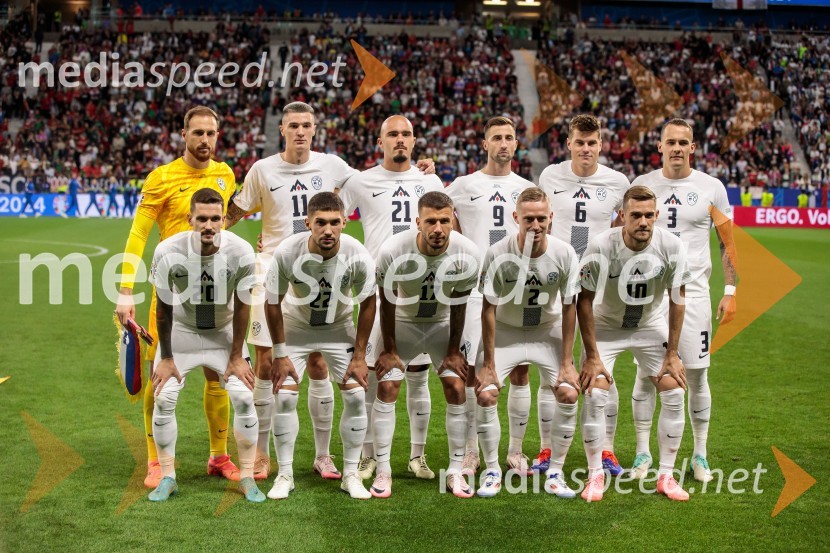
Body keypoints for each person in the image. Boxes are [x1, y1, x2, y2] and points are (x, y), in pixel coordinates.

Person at [224, 102, 433, 481]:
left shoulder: (334, 166)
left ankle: (323, 456)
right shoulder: (262, 169)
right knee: (268, 362)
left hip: (323, 272)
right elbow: (235, 212)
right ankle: (261, 454)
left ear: (315, 129)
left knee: (318, 362)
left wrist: (420, 170)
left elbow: (379, 177)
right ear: (282, 130)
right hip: (274, 269)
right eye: (293, 126)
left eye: (306, 125)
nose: (300, 132)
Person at [116, 106, 240, 489]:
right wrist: (125, 289)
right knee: (160, 376)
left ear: (218, 136)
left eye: (211, 134)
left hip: (216, 293)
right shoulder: (162, 177)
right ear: (183, 134)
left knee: (217, 374)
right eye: (198, 132)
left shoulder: (225, 175)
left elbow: (227, 219)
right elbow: (139, 233)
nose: (205, 140)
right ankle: (156, 460)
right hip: (170, 295)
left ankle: (218, 455)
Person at [338, 115, 444, 482]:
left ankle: (418, 456)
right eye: (392, 134)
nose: (400, 140)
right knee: (372, 374)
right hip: (375, 290)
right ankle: (368, 457)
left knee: (417, 376)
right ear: (380, 141)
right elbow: (329, 213)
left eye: (406, 134)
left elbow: (445, 226)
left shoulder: (429, 180)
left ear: (414, 141)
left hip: (419, 291)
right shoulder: (361, 180)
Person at [630, 118, 737, 483]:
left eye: (684, 142)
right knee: (647, 374)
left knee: (697, 372)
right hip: (650, 294)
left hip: (694, 294)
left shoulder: (712, 187)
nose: (677, 147)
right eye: (670, 141)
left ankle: (700, 455)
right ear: (659, 146)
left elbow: (727, 243)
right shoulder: (643, 185)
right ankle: (643, 452)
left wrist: (731, 291)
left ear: (693, 147)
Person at [147, 188, 263, 503]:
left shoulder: (239, 252)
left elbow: (243, 306)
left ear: (224, 220)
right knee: (164, 396)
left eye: (215, 219)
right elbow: (163, 309)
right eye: (202, 219)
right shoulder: (168, 251)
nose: (208, 226)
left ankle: (249, 477)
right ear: (190, 220)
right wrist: (167, 358)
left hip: (223, 333)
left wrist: (237, 356)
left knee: (242, 396)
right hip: (183, 331)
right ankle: (168, 477)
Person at [577, 185, 692, 502]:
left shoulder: (671, 246)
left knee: (674, 389)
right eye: (636, 215)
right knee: (595, 390)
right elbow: (583, 301)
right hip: (607, 325)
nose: (643, 221)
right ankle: (594, 474)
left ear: (657, 215)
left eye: (649, 215)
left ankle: (666, 476)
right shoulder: (601, 246)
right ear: (622, 216)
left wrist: (672, 353)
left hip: (649, 325)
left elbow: (678, 298)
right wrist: (591, 356)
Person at [264, 192, 377, 500]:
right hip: (296, 328)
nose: (328, 230)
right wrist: (279, 353)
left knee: (355, 395)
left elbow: (368, 303)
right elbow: (272, 302)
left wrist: (359, 355)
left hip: (338, 329)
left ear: (344, 222)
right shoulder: (288, 251)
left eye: (335, 223)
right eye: (320, 223)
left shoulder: (357, 254)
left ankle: (351, 475)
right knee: (285, 398)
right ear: (308, 224)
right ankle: (285, 474)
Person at [368, 191, 481, 498]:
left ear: (452, 221)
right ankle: (383, 470)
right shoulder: (393, 249)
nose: (438, 228)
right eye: (430, 221)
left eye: (445, 221)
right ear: (418, 222)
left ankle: (456, 472)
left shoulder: (468, 252)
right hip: (403, 321)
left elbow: (460, 304)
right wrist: (390, 350)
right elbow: (386, 302)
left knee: (457, 387)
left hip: (442, 323)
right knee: (387, 386)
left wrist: (454, 350)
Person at [536, 114, 631, 475]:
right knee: (551, 369)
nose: (586, 149)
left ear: (601, 145)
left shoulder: (618, 182)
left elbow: (624, 230)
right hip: (556, 279)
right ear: (569, 144)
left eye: (592, 143)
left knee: (602, 368)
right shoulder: (550, 176)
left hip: (599, 282)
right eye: (580, 142)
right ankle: (546, 449)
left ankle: (606, 448)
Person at [474, 188, 581, 498]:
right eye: (529, 219)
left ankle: (557, 472)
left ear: (551, 218)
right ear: (516, 218)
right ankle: (493, 469)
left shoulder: (564, 254)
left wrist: (567, 362)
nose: (536, 225)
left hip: (546, 331)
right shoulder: (497, 253)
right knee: (485, 394)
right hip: (507, 331)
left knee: (569, 392)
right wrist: (489, 364)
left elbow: (569, 306)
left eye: (541, 218)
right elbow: (488, 309)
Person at [446, 115, 535, 477]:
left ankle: (515, 450)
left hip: (515, 291)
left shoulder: (528, 187)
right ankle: (470, 451)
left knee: (520, 370)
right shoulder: (463, 185)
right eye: (496, 137)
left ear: (516, 145)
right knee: (469, 371)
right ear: (484, 144)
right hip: (474, 292)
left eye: (509, 137)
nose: (503, 143)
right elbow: (443, 223)